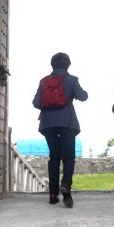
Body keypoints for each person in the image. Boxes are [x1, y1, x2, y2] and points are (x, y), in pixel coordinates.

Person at [33, 52, 88, 208]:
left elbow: (36, 102)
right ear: (68, 65)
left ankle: (52, 195)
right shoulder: (71, 80)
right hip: (67, 123)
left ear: (52, 65)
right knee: (68, 157)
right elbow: (83, 96)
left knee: (54, 157)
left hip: (48, 124)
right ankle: (66, 184)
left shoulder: (44, 81)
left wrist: (49, 103)